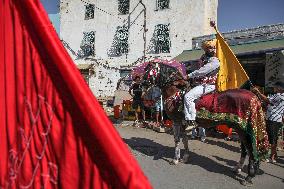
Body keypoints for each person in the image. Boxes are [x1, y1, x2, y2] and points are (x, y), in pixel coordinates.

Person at [183, 39, 220, 142]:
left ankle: (191, 121)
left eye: (213, 47)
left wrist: (189, 75)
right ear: (205, 49)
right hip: (201, 84)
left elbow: (203, 71)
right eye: (210, 47)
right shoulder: (203, 58)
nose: (212, 49)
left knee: (188, 97)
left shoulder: (215, 60)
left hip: (209, 85)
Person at [265, 82, 284, 163]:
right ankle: (274, 154)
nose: (274, 88)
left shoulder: (279, 96)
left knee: (272, 139)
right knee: (273, 138)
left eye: (275, 87)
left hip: (274, 120)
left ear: (279, 88)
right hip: (274, 119)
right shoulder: (277, 95)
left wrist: (258, 92)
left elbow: (267, 100)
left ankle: (272, 157)